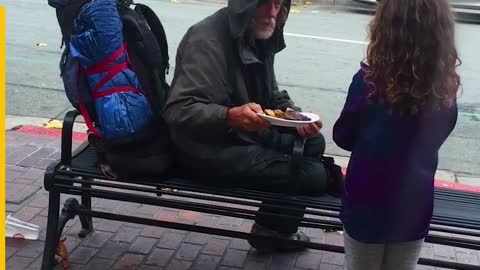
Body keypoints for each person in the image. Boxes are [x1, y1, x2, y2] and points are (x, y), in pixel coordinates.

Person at [163, 0, 343, 251]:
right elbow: (178, 110)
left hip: (244, 135)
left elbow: (272, 95)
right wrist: (228, 115)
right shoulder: (206, 39)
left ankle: (272, 229)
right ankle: (273, 232)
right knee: (313, 175)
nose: (272, 13)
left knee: (313, 141)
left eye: (278, 4)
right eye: (264, 4)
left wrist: (296, 118)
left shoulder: (259, 31)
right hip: (205, 149)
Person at [333, 0, 461, 269]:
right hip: (414, 205)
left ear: (385, 28)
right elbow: (440, 134)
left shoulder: (367, 82)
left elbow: (343, 136)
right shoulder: (443, 91)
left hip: (366, 203)